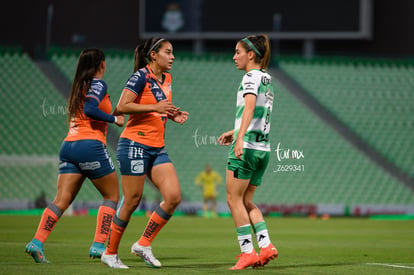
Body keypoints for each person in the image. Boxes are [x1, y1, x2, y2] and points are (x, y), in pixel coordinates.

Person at [25, 48, 125, 263]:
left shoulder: (79, 86)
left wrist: (112, 113)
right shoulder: (98, 84)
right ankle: (99, 246)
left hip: (69, 145)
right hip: (90, 145)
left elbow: (86, 111)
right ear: (101, 64)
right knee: (112, 196)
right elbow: (90, 110)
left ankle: (37, 242)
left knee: (61, 200)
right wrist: (113, 119)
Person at [101, 37, 189, 269]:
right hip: (134, 144)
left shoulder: (167, 78)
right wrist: (156, 108)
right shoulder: (140, 76)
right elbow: (120, 107)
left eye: (172, 53)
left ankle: (143, 244)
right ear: (153, 55)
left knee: (173, 197)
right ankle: (109, 253)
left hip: (157, 147)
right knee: (132, 200)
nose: (172, 57)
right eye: (168, 52)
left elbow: (157, 108)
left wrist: (171, 114)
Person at [217, 34, 278, 270]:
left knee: (233, 200)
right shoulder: (267, 79)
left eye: (237, 52)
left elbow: (250, 108)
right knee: (247, 200)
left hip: (247, 148)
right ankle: (266, 245)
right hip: (263, 149)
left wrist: (239, 138)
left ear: (251, 54)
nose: (234, 57)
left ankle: (247, 252)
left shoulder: (250, 77)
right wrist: (234, 131)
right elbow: (259, 114)